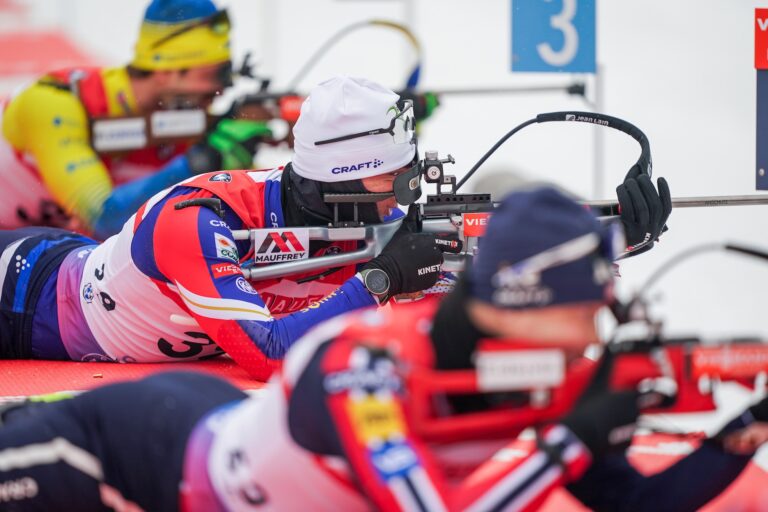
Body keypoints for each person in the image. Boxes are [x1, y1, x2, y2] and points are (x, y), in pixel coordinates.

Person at [0, 186, 757, 512]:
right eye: (583, 312)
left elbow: (632, 502)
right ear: (522, 305)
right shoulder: (366, 364)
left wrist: (743, 433)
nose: (594, 335)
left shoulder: (539, 370)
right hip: (130, 454)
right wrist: (570, 442)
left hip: (205, 426)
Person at [0, 76, 457, 380]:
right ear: (340, 180)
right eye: (390, 180)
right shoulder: (199, 220)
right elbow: (267, 354)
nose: (401, 199)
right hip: (22, 299)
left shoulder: (361, 217)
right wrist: (381, 279)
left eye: (409, 176)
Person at [0, 0, 267, 239]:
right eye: (214, 75)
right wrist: (203, 160)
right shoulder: (54, 103)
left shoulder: (181, 123)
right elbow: (103, 218)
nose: (220, 90)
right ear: (169, 71)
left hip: (61, 262)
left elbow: (258, 211)